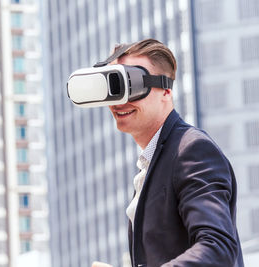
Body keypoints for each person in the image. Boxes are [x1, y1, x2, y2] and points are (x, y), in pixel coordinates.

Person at [92, 39, 244, 267]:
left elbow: (217, 247)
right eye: (114, 88)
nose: (120, 101)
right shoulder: (153, 161)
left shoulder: (191, 149)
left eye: (132, 85)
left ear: (166, 91)